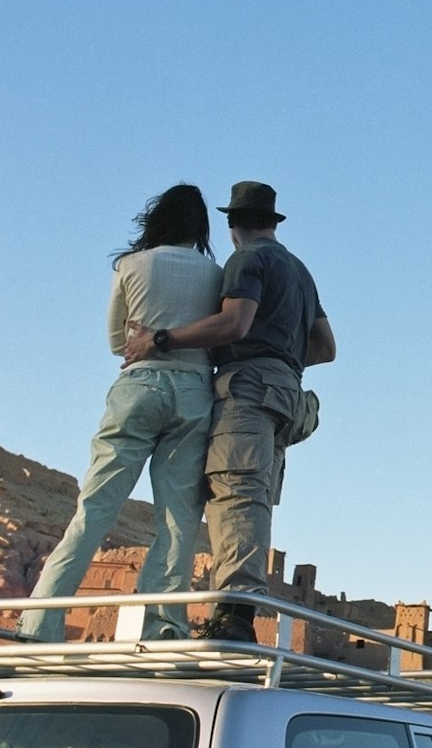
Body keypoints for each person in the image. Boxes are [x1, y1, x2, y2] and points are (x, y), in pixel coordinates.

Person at [124, 180, 335, 641]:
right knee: (254, 492)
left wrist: (161, 338)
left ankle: (235, 618)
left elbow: (234, 323)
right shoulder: (300, 271)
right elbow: (326, 347)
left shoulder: (247, 259)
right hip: (285, 393)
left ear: (232, 224)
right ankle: (235, 610)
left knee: (236, 494)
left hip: (249, 389)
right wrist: (283, 356)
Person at [20, 185, 224, 643]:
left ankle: (38, 622)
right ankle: (164, 627)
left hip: (139, 385)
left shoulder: (130, 266)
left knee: (94, 508)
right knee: (177, 518)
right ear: (200, 227)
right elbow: (219, 336)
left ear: (158, 220)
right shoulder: (217, 275)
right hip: (194, 390)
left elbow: (117, 341)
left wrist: (149, 335)